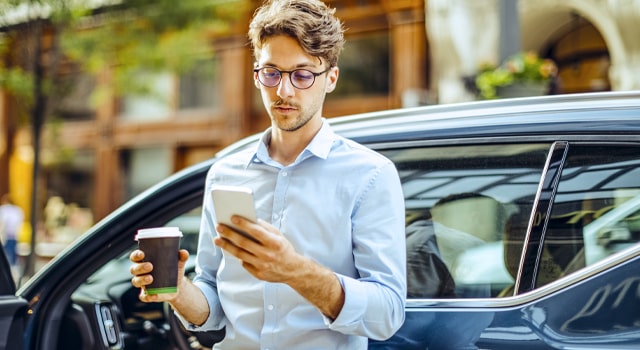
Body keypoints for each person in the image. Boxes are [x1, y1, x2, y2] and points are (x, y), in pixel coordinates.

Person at [129, 0, 407, 348]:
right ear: (256, 73)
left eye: (303, 75)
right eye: (271, 73)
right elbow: (214, 307)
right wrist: (178, 289)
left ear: (331, 78)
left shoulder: (370, 175)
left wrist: (294, 270)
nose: (284, 91)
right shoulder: (224, 173)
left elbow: (388, 314)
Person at [0, 193, 24, 274]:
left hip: (6, 236)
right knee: (13, 256)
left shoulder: (4, 210)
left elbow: (3, 223)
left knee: (5, 257)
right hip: (14, 235)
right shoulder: (17, 210)